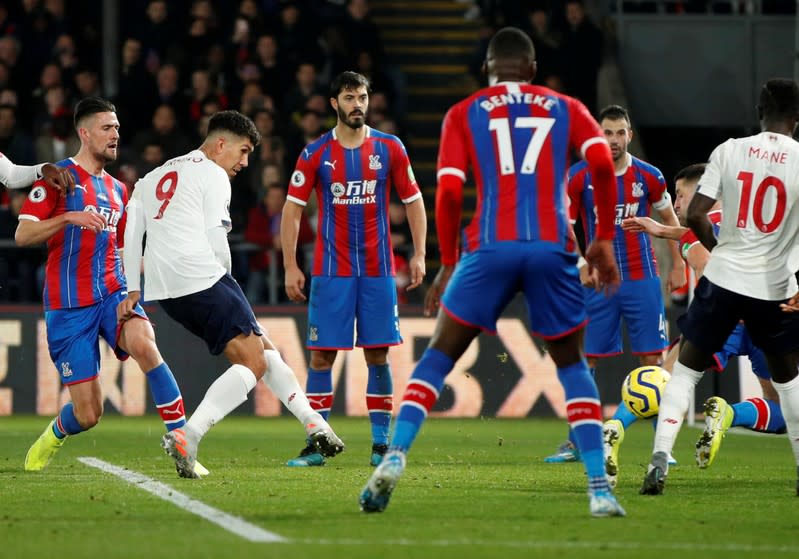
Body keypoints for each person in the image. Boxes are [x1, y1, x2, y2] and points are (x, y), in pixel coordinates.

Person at [359, 27, 625, 517]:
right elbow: (604, 169)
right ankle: (598, 488)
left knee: (439, 357)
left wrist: (448, 263)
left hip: (489, 248)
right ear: (531, 69)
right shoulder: (567, 107)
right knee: (571, 365)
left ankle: (394, 456)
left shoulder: (464, 113)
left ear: (487, 69)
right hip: (552, 246)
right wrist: (603, 239)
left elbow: (448, 191)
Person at [117, 110, 344, 479]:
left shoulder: (151, 177)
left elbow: (131, 236)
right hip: (203, 276)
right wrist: (228, 283)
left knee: (262, 346)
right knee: (253, 363)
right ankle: (188, 436)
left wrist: (132, 289)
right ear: (220, 144)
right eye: (242, 151)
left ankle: (314, 424)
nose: (244, 161)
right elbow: (215, 238)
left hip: (165, 291)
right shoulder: (213, 174)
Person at [16, 97, 196, 473]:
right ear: (84, 133)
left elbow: (121, 249)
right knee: (89, 414)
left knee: (146, 345)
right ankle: (54, 434)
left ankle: (183, 443)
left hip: (112, 294)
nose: (115, 134)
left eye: (116, 127)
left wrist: (149, 277)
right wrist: (67, 217)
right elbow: (23, 233)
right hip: (69, 307)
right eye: (106, 128)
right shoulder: (56, 179)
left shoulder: (118, 189)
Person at [640, 78, 799, 496]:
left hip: (725, 280)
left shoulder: (729, 150)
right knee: (788, 384)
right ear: (795, 120)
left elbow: (694, 214)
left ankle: (659, 459)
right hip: (774, 285)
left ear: (759, 113)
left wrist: (722, 250)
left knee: (685, 373)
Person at [604, 163, 787, 486]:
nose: (675, 204)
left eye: (681, 194)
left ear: (704, 192)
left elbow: (702, 253)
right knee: (781, 407)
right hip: (768, 315)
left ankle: (617, 427)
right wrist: (663, 231)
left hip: (722, 316)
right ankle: (730, 414)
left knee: (666, 379)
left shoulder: (698, 233)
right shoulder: (751, 221)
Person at [281, 71, 427, 467]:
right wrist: (290, 264)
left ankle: (381, 446)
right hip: (331, 271)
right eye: (349, 98)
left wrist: (419, 254)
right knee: (322, 357)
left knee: (378, 355)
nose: (357, 104)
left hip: (378, 270)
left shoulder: (390, 148)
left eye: (362, 96)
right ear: (335, 104)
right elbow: (292, 211)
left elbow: (413, 200)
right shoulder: (314, 153)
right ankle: (318, 445)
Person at [544, 104, 685, 464]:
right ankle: (578, 442)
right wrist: (578, 262)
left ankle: (661, 447)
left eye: (619, 133)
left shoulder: (650, 177)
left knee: (652, 362)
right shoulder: (579, 176)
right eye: (606, 132)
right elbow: (564, 224)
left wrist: (679, 266)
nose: (613, 140)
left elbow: (669, 220)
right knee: (585, 359)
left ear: (629, 136)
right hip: (599, 283)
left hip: (642, 280)